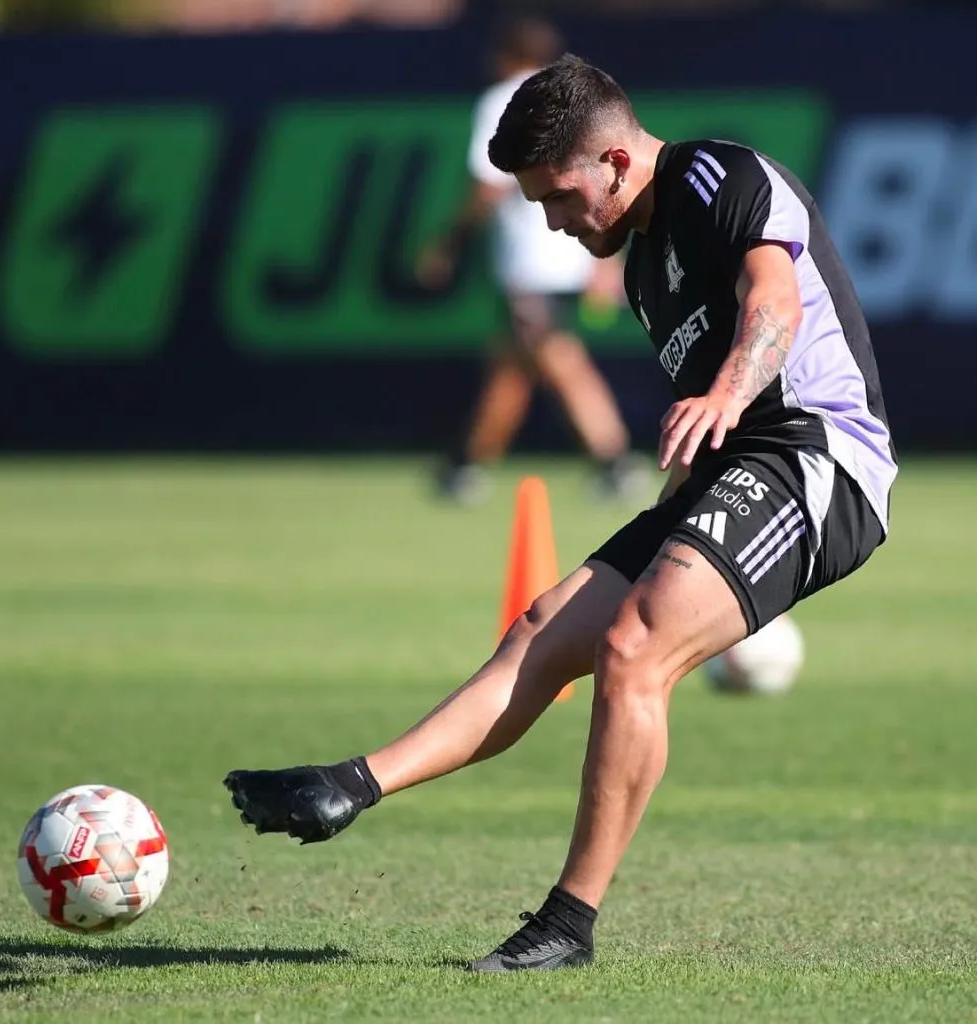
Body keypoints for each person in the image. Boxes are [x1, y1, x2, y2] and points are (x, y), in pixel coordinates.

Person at [224, 55, 897, 972]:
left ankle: (565, 928)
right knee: (542, 629)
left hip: (819, 456)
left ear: (616, 161)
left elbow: (772, 300)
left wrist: (729, 396)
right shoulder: (643, 268)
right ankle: (351, 785)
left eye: (558, 196)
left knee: (633, 647)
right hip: (734, 468)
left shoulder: (719, 179)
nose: (553, 221)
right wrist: (671, 524)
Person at [418, 17, 646, 504]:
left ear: (503, 54)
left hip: (530, 263)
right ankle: (465, 465)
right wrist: (606, 258)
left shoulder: (504, 100)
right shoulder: (577, 102)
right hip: (578, 253)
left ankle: (617, 462)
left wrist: (449, 242)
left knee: (558, 359)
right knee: (512, 366)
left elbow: (488, 185)